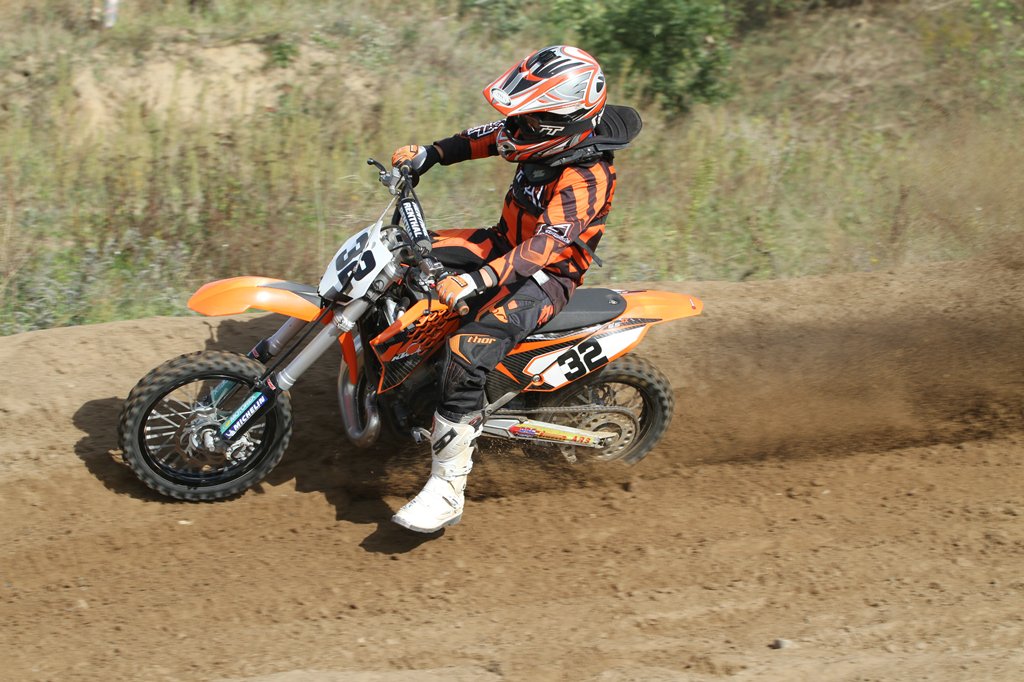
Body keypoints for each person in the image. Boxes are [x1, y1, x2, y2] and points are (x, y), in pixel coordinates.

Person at [390, 45, 640, 533]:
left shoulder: (587, 176)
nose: (516, 127)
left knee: (466, 351)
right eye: (518, 116)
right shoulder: (537, 136)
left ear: (561, 122)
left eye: (528, 120)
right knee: (403, 257)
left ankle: (447, 489)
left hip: (546, 278)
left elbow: (544, 248)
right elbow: (487, 137)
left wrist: (475, 280)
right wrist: (430, 154)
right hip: (504, 243)